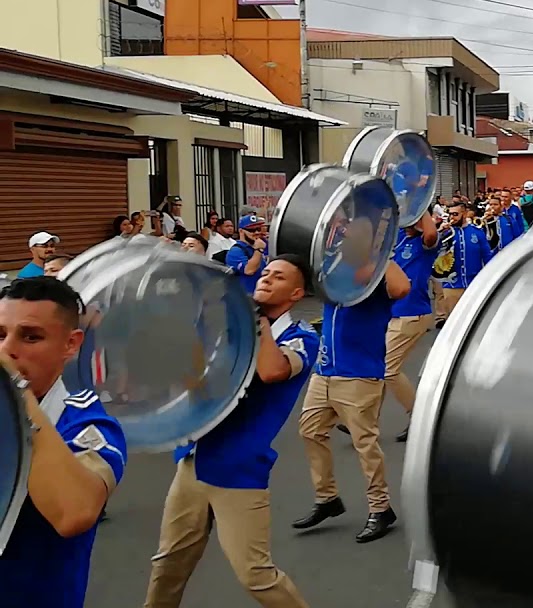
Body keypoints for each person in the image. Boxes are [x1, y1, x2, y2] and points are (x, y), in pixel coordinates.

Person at [144, 255, 320, 608]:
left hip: (237, 470)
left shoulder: (302, 337)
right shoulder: (230, 327)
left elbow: (271, 371)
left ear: (297, 293)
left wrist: (255, 319)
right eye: (266, 272)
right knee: (169, 564)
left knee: (255, 575)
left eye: (278, 277)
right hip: (193, 461)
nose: (267, 278)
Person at [0, 277, 127, 608]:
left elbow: (75, 513)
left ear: (71, 344)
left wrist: (15, 390)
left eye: (31, 337)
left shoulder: (88, 423)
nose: (6, 350)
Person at [294, 256, 411, 544]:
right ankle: (327, 498)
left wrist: (383, 253)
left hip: (359, 373)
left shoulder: (378, 274)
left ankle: (380, 508)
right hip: (325, 369)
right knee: (310, 431)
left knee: (365, 444)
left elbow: (401, 289)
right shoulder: (335, 269)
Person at [383, 213, 440, 443]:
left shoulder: (425, 244)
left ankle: (418, 417)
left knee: (388, 369)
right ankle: (362, 417)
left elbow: (431, 233)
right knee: (379, 366)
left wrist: (420, 206)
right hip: (392, 312)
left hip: (412, 314)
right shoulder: (399, 238)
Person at [225, 216, 269, 294]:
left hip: (261, 294)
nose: (256, 233)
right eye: (251, 230)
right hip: (245, 298)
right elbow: (249, 270)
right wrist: (259, 250)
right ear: (241, 231)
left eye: (258, 229)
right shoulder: (236, 251)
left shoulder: (262, 244)